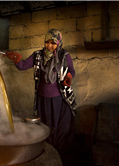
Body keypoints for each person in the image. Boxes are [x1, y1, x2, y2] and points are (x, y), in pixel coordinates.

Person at [4, 29, 76, 162]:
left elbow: (71, 71)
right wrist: (16, 59)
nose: (49, 46)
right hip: (43, 98)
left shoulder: (64, 55)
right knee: (45, 126)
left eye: (53, 43)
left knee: (59, 127)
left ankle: (59, 156)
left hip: (59, 99)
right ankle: (47, 153)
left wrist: (68, 77)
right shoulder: (38, 55)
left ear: (58, 43)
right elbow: (23, 65)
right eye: (47, 42)